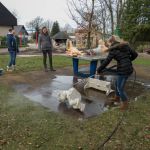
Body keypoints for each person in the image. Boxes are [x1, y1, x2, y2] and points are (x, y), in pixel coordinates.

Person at [97, 35, 138, 110]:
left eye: (108, 43)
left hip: (124, 70)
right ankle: (117, 98)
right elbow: (135, 54)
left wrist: (99, 69)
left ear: (112, 42)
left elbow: (106, 61)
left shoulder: (113, 50)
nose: (108, 45)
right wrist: (127, 60)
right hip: (126, 69)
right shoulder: (126, 46)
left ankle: (125, 104)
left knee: (120, 88)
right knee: (116, 83)